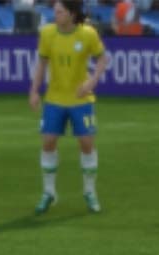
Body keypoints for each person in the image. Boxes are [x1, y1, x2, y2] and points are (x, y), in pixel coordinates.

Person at [29, 0, 109, 214]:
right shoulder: (47, 33)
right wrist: (34, 91)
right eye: (55, 11)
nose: (55, 15)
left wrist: (92, 81)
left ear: (72, 14)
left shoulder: (87, 34)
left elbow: (103, 59)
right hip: (54, 98)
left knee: (86, 143)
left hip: (81, 99)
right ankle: (49, 192)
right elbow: (41, 64)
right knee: (48, 141)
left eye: (60, 12)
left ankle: (90, 191)